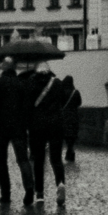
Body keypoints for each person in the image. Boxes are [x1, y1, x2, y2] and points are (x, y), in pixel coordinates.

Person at [0, 59, 37, 205]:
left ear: (3, 67)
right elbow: (27, 107)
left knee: (1, 161)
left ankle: (6, 193)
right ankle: (29, 189)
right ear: (14, 68)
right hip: (18, 127)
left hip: (2, 127)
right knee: (23, 159)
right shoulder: (22, 84)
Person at [30, 65, 75, 204]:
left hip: (38, 125)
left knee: (39, 160)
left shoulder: (33, 83)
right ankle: (60, 183)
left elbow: (29, 104)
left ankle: (39, 194)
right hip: (56, 125)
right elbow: (62, 101)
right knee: (56, 159)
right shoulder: (57, 83)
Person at [60, 75, 83, 163]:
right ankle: (70, 151)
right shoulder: (75, 92)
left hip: (63, 116)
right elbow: (79, 103)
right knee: (72, 134)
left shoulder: (61, 92)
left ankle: (68, 151)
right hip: (73, 116)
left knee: (64, 134)